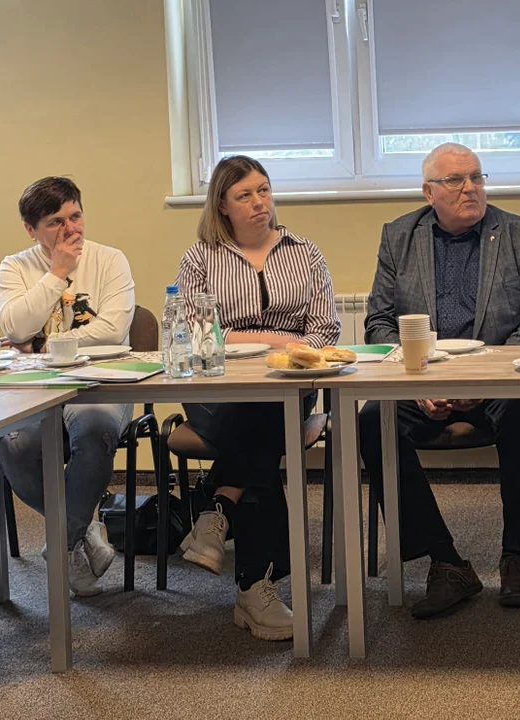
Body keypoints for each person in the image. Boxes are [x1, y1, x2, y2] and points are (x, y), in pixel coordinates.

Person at [359, 143, 520, 619]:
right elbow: (379, 322)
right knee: (372, 421)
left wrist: (486, 380)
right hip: (424, 377)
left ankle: (517, 556)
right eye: (455, 180)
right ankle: (445, 561)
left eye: (476, 177)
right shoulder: (399, 236)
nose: (470, 188)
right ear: (429, 192)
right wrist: (417, 382)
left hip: (498, 380)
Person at [177, 155, 341, 640]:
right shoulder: (200, 258)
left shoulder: (304, 253)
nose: (258, 202)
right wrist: (274, 340)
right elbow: (197, 333)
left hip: (287, 385)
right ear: (222, 205)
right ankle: (255, 588)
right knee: (263, 431)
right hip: (217, 391)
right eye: (244, 195)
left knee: (268, 409)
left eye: (263, 190)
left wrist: (281, 352)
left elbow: (325, 330)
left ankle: (219, 509)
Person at [0, 177, 136, 597]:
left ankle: (61, 542)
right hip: (37, 388)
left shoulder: (110, 259)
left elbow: (113, 331)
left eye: (75, 216)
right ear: (31, 229)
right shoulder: (14, 267)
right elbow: (14, 326)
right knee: (15, 445)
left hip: (101, 382)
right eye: (56, 222)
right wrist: (57, 272)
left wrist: (40, 344)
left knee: (94, 432)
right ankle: (82, 529)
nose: (71, 228)